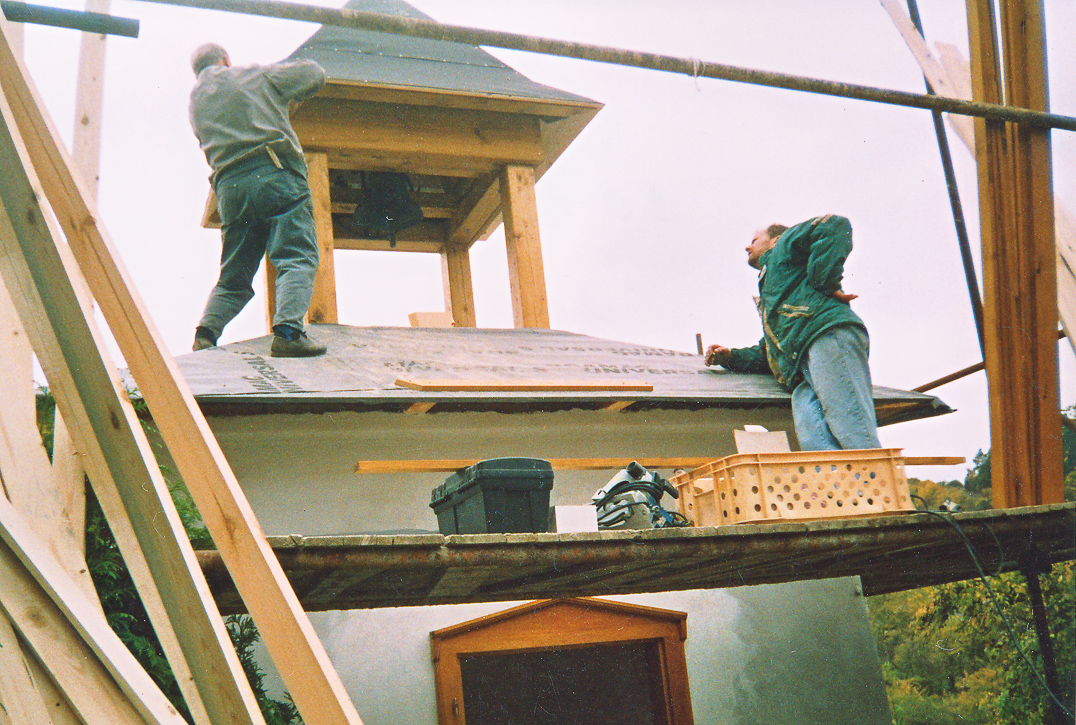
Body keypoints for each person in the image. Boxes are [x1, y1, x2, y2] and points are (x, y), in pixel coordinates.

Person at [188, 43, 328, 357]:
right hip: (275, 174)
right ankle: (289, 333)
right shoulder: (251, 74)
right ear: (226, 59)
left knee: (234, 275)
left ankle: (205, 334)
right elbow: (314, 75)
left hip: (230, 190)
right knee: (297, 256)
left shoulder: (195, 102)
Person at [705, 215, 882, 450]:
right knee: (813, 438)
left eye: (755, 239)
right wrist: (731, 357)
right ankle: (835, 485)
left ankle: (872, 481)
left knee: (850, 424)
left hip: (823, 334)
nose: (747, 246)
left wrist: (826, 281)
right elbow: (772, 350)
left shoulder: (784, 247)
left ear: (775, 240)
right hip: (798, 364)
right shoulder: (776, 284)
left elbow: (835, 225)